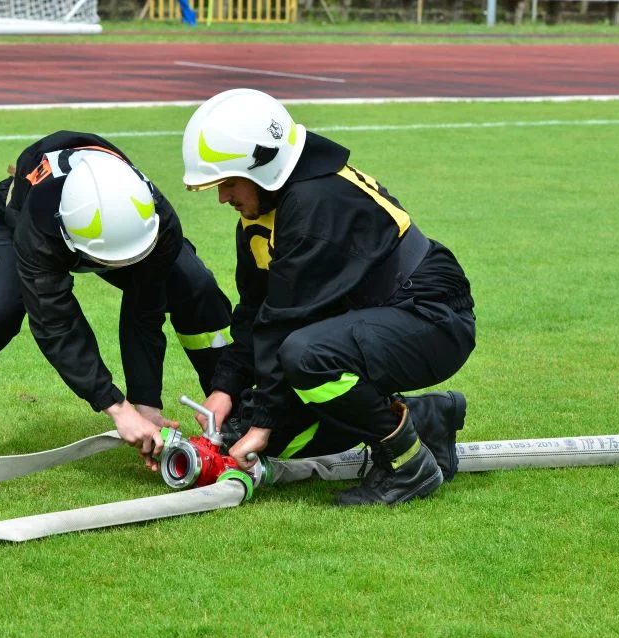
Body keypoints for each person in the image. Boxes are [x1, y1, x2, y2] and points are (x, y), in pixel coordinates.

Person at [181, 89, 476, 506]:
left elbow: (287, 323)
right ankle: (425, 418)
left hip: (432, 317)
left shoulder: (315, 202)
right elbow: (254, 314)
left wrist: (262, 420)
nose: (222, 197)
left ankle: (408, 468)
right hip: (383, 316)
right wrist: (226, 390)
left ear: (265, 167)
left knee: (305, 359)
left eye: (228, 183)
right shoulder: (265, 212)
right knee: (271, 432)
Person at [0, 131, 233, 469]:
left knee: (195, 286)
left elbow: (145, 311)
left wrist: (146, 403)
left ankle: (228, 410)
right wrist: (116, 407)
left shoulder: (154, 219)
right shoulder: (41, 227)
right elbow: (56, 323)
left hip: (112, 233)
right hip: (27, 219)